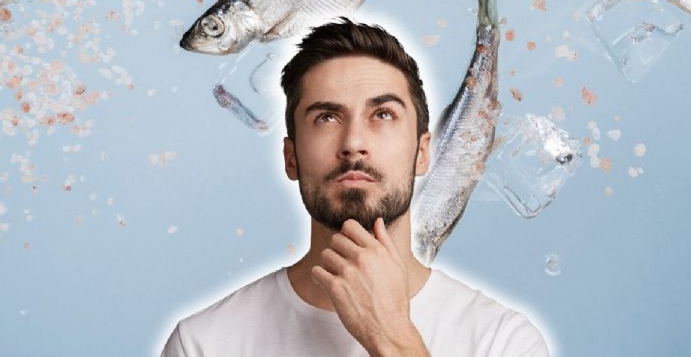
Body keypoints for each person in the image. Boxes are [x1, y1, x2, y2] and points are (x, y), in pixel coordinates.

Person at [161, 19, 549, 357]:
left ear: (422, 153)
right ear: (291, 157)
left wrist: (392, 336)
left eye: (383, 114)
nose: (353, 142)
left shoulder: (503, 342)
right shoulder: (204, 345)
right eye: (327, 117)